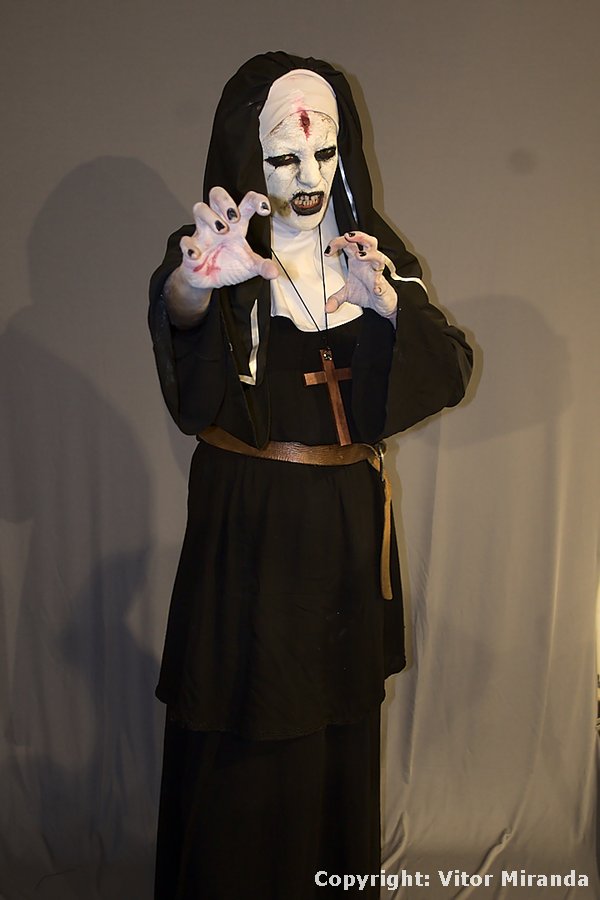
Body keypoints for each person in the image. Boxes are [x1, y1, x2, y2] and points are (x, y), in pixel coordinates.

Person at [149, 51, 472, 900]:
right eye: (284, 158)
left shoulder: (370, 250)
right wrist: (194, 288)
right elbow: (182, 340)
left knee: (333, 734)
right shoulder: (219, 251)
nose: (308, 178)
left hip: (342, 537)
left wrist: (389, 307)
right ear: (247, 160)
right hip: (248, 533)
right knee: (241, 734)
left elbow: (447, 369)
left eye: (324, 153)